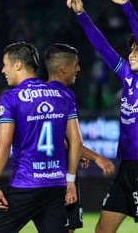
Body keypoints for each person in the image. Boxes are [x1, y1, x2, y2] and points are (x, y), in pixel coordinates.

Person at [67, 0, 138, 233]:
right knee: (102, 230)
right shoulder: (127, 75)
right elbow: (103, 48)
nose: (133, 53)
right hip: (126, 165)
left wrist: (126, 6)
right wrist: (82, 15)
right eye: (131, 49)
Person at [0, 41, 83, 233]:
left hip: (25, 185)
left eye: (5, 64)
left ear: (18, 65)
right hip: (56, 187)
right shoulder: (64, 95)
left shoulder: (11, 98)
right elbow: (76, 142)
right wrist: (70, 181)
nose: (3, 70)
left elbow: (4, 144)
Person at [44, 43, 116, 232]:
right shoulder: (63, 95)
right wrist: (97, 157)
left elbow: (61, 142)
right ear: (63, 68)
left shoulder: (39, 95)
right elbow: (70, 141)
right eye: (76, 64)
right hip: (60, 177)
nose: (79, 68)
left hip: (38, 176)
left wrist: (75, 153)